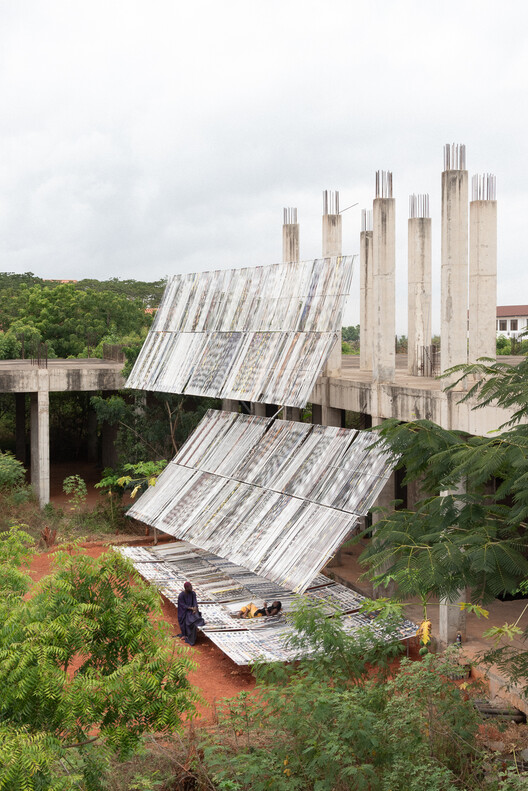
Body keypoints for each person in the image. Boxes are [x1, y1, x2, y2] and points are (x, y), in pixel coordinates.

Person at [177, 581, 204, 646]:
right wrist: (191, 608)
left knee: (196, 618)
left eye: (191, 587)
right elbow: (182, 605)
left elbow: (194, 602)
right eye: (190, 587)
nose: (191, 588)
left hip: (192, 610)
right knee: (188, 621)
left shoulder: (193, 593)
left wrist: (195, 608)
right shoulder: (181, 595)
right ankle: (186, 635)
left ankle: (191, 634)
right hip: (184, 611)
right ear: (186, 588)